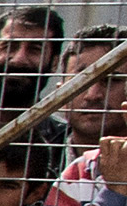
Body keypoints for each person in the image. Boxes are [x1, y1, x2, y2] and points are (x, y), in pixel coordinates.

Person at [0, 4, 67, 127]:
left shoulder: (60, 139)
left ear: (54, 63)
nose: (19, 60)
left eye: (34, 49)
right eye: (9, 46)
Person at [53, 23, 127, 157]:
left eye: (111, 80)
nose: (93, 95)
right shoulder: (32, 157)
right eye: (81, 81)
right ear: (60, 92)